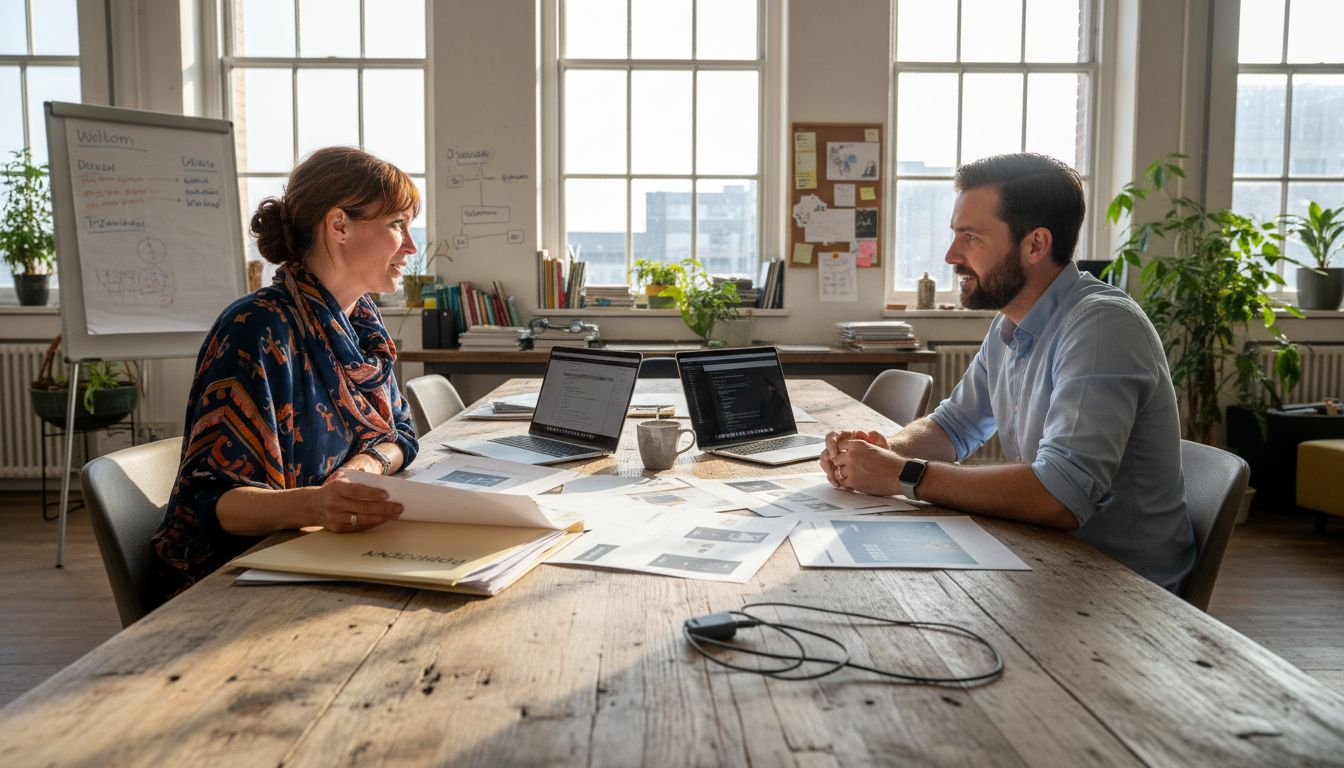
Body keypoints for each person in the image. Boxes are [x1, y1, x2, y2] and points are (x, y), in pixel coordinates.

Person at [821, 153, 1195, 590]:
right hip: (1048, 555)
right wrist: (879, 450)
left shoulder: (1101, 327)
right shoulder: (1012, 321)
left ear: (1035, 244)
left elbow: (1061, 494)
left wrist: (901, 474)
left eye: (970, 237)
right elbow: (953, 426)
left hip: (1124, 588)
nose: (950, 255)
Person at [151, 147, 421, 598]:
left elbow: (402, 433)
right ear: (339, 226)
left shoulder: (361, 325)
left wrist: (364, 467)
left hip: (321, 555)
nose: (411, 245)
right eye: (397, 225)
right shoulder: (256, 329)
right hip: (233, 579)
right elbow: (213, 504)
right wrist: (317, 503)